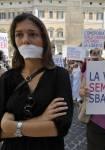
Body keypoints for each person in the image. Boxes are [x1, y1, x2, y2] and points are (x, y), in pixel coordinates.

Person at [0, 13, 73, 150]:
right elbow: (1, 131)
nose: (25, 40)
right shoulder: (6, 78)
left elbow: (60, 128)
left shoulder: (60, 75)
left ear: (44, 39)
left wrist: (13, 126)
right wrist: (40, 121)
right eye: (19, 35)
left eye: (32, 34)